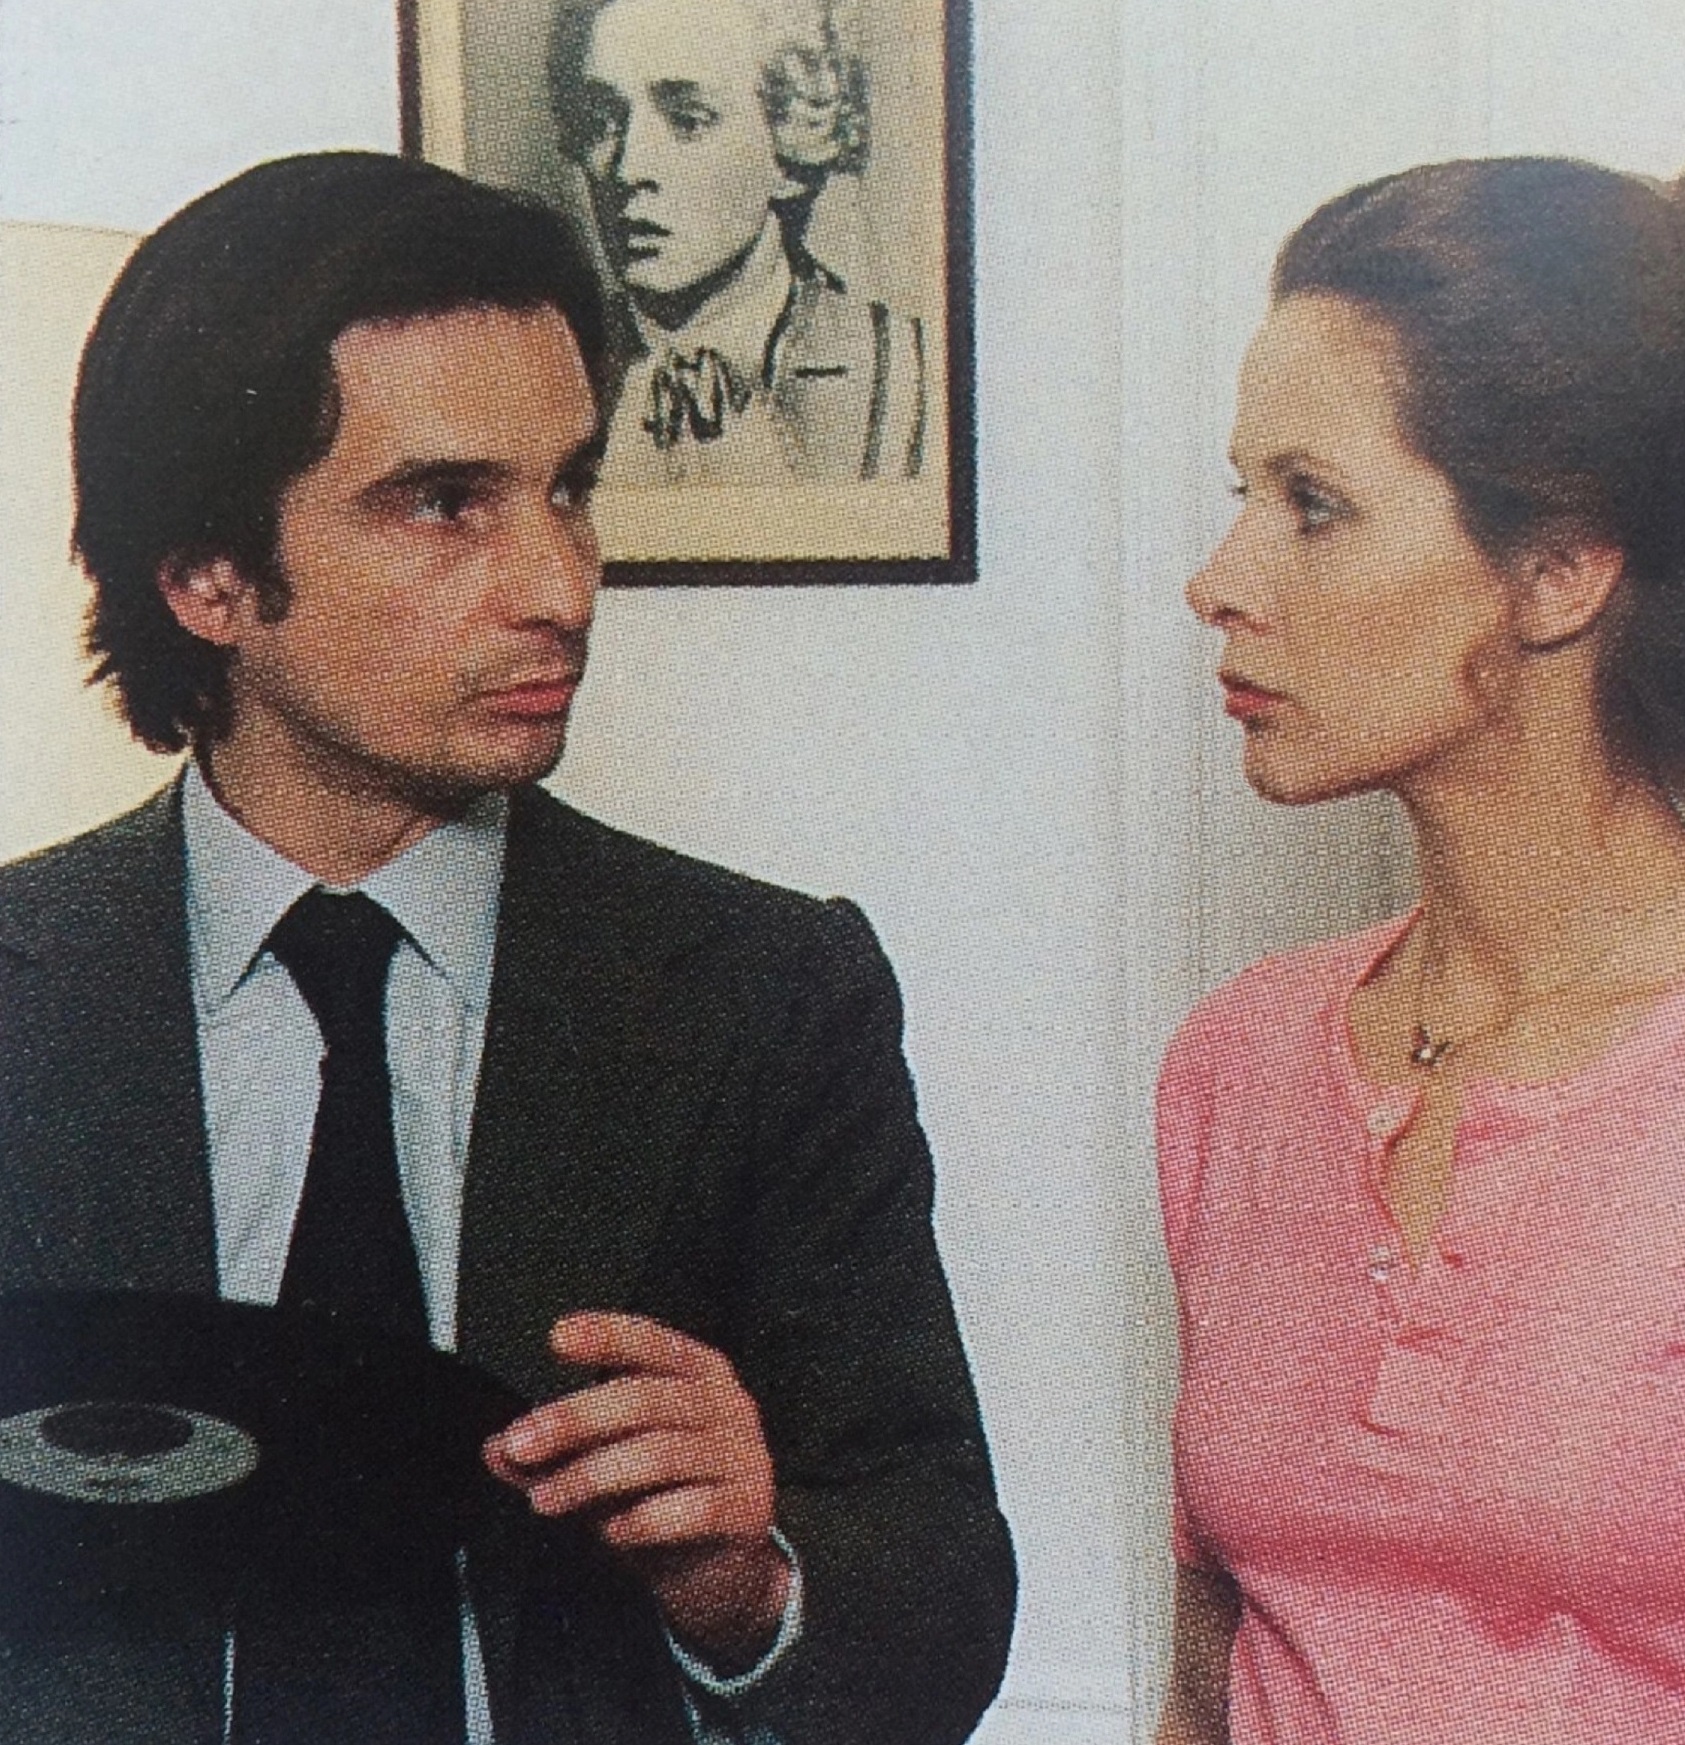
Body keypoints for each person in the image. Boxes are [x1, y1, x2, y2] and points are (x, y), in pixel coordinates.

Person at [0, 150, 1013, 1745]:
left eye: (570, 489)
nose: (559, 585)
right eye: (444, 505)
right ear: (207, 575)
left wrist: (749, 1582)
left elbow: (939, 1615)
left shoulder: (764, 995)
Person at [1156, 151, 1685, 1745]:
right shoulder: (1237, 1062)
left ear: (1558, 571)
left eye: (1313, 505)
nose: (1219, 582)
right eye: (1241, 496)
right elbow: (1203, 1694)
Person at [547, 0, 928, 486]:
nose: (629, 168)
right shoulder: (541, 369)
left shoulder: (912, 375)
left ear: (789, 147)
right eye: (602, 120)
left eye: (689, 120)